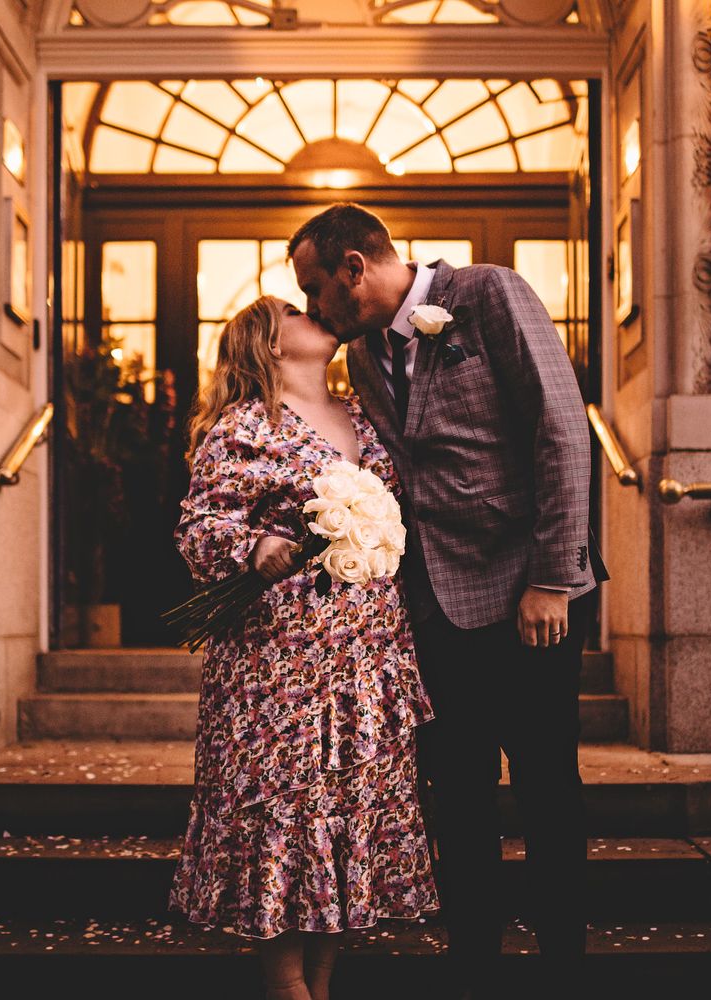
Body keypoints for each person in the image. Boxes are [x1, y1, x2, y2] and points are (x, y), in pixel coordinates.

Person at [288, 203, 610, 997]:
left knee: (544, 788)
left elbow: (563, 431)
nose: (313, 307)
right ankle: (475, 964)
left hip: (530, 598)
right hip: (432, 609)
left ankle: (564, 968)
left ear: (355, 268)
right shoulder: (364, 354)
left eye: (315, 287)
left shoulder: (488, 294)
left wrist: (553, 578)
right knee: (459, 798)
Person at [167, 294, 440, 1000]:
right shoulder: (245, 426)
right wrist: (254, 546)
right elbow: (198, 526)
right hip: (277, 665)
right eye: (293, 308)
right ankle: (287, 989)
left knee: (346, 816)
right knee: (282, 817)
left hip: (366, 658)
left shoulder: (365, 416)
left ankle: (320, 988)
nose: (313, 309)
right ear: (270, 344)